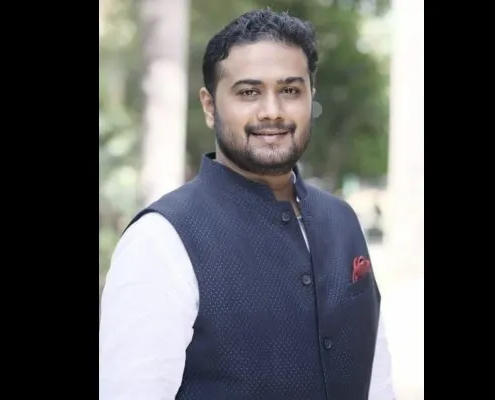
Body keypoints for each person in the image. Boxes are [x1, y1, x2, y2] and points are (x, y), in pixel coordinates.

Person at [99, 7, 396, 400]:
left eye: (290, 90)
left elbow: (377, 383)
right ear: (210, 107)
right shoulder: (161, 239)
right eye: (248, 92)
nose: (272, 110)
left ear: (310, 97)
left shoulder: (342, 221)